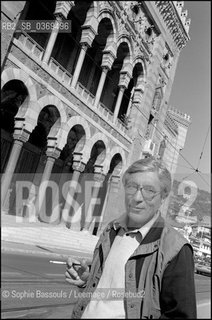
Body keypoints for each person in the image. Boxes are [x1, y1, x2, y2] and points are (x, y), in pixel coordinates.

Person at [65, 156, 197, 319]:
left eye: (149, 191)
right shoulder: (111, 230)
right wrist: (87, 280)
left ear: (163, 197)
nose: (137, 198)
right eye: (132, 187)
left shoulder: (175, 249)